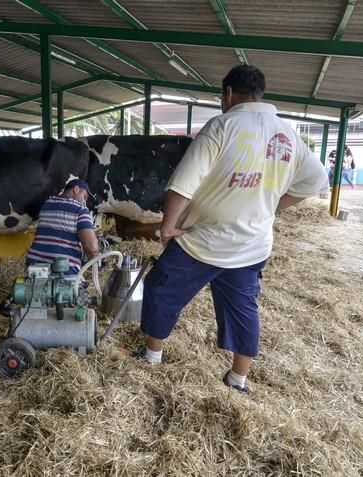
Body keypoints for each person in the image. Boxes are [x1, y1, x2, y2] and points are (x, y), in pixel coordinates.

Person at [134, 65, 329, 394]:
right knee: (243, 308)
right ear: (260, 93)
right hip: (252, 245)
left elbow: (182, 185)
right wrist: (274, 207)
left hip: (201, 240)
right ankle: (237, 380)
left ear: (227, 94)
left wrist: (167, 226)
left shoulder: (222, 126)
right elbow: (317, 179)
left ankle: (152, 355)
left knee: (160, 288)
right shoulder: (287, 134)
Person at [25, 178, 99, 277]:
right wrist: (95, 261)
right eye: (85, 196)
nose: (85, 201)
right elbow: (92, 248)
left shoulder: (47, 204)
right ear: (76, 189)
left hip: (34, 269)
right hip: (63, 272)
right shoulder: (80, 209)